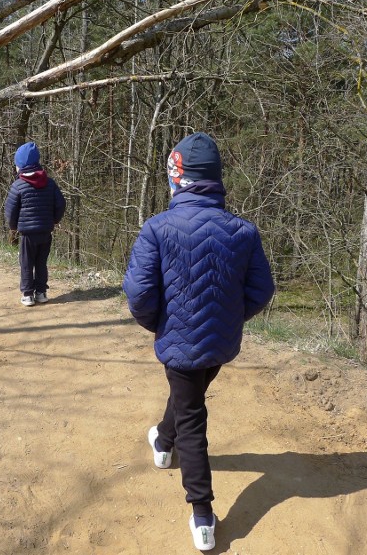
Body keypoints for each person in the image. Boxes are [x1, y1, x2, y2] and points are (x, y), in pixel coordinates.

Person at [122, 132, 275, 551]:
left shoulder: (158, 228)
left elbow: (138, 292)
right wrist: (227, 320)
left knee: (192, 415)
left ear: (177, 178)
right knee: (188, 395)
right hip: (218, 344)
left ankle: (203, 515)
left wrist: (160, 324)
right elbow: (261, 290)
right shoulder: (242, 231)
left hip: (180, 339)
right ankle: (161, 440)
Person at [4, 142, 66, 306]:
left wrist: (13, 226)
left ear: (21, 167)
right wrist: (54, 219)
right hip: (45, 231)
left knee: (26, 263)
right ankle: (41, 293)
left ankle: (27, 294)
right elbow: (61, 204)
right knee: (41, 263)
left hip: (27, 234)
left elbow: (10, 211)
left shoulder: (18, 186)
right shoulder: (50, 183)